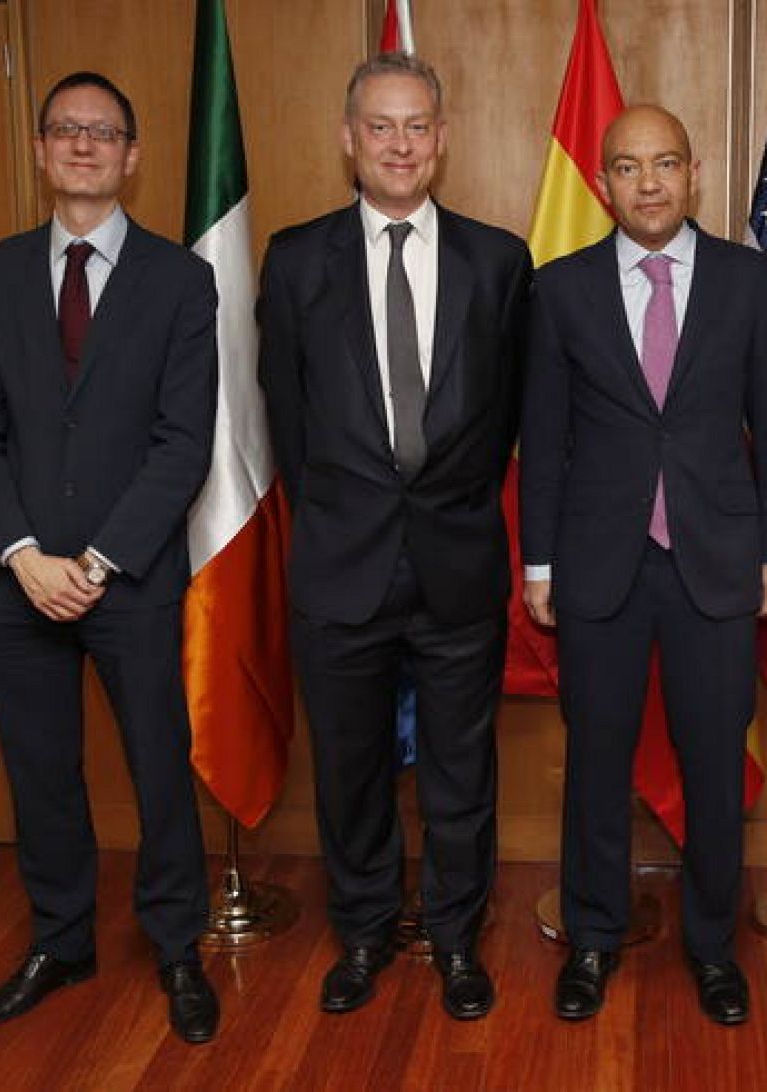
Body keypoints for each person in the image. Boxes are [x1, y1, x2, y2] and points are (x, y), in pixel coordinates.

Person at [0, 71, 221, 1044]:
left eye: (103, 132)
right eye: (65, 128)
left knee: (158, 768)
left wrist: (98, 563)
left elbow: (183, 441)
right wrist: (23, 554)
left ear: (132, 155)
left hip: (130, 580)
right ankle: (61, 941)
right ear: (39, 148)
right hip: (17, 580)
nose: (83, 144)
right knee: (40, 773)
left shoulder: (182, 279)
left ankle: (178, 946)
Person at [257, 53, 530, 1022]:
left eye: (417, 125)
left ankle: (456, 943)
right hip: (341, 565)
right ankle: (366, 933)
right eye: (381, 126)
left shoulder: (499, 262)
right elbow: (284, 420)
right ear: (348, 139)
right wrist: (343, 511)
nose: (400, 144)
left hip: (457, 563)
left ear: (443, 139)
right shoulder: (293, 260)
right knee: (351, 773)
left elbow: (507, 420)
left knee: (463, 774)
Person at [520, 105, 767, 1025]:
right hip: (599, 565)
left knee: (714, 764)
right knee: (596, 764)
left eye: (666, 163)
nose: (649, 183)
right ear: (603, 183)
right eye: (630, 167)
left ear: (693, 174)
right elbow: (546, 439)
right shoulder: (560, 289)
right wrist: (539, 565)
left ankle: (713, 949)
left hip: (717, 564)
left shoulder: (750, 282)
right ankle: (593, 941)